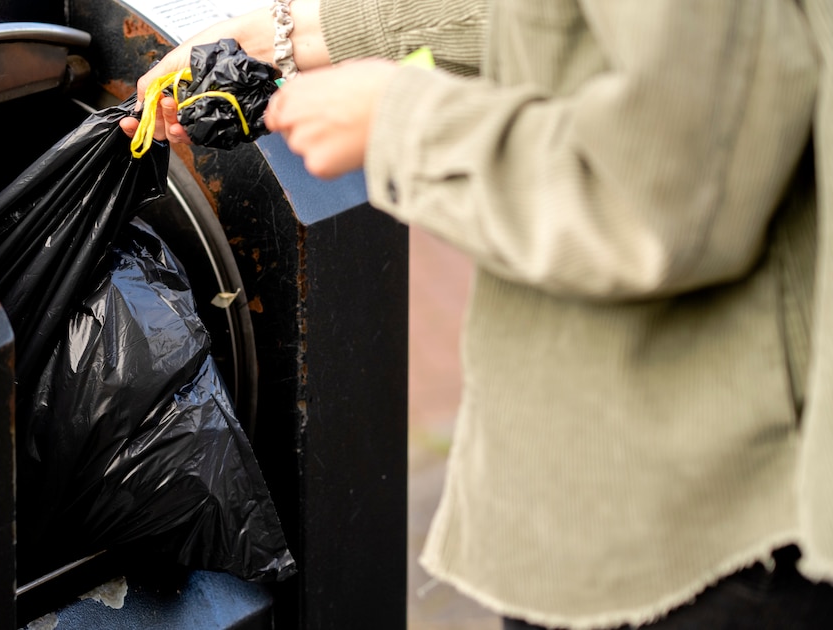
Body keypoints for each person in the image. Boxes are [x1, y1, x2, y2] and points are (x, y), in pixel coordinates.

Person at [122, 1, 832, 628]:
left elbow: (671, 181)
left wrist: (402, 120)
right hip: (619, 467)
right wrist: (297, 33)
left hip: (712, 511)